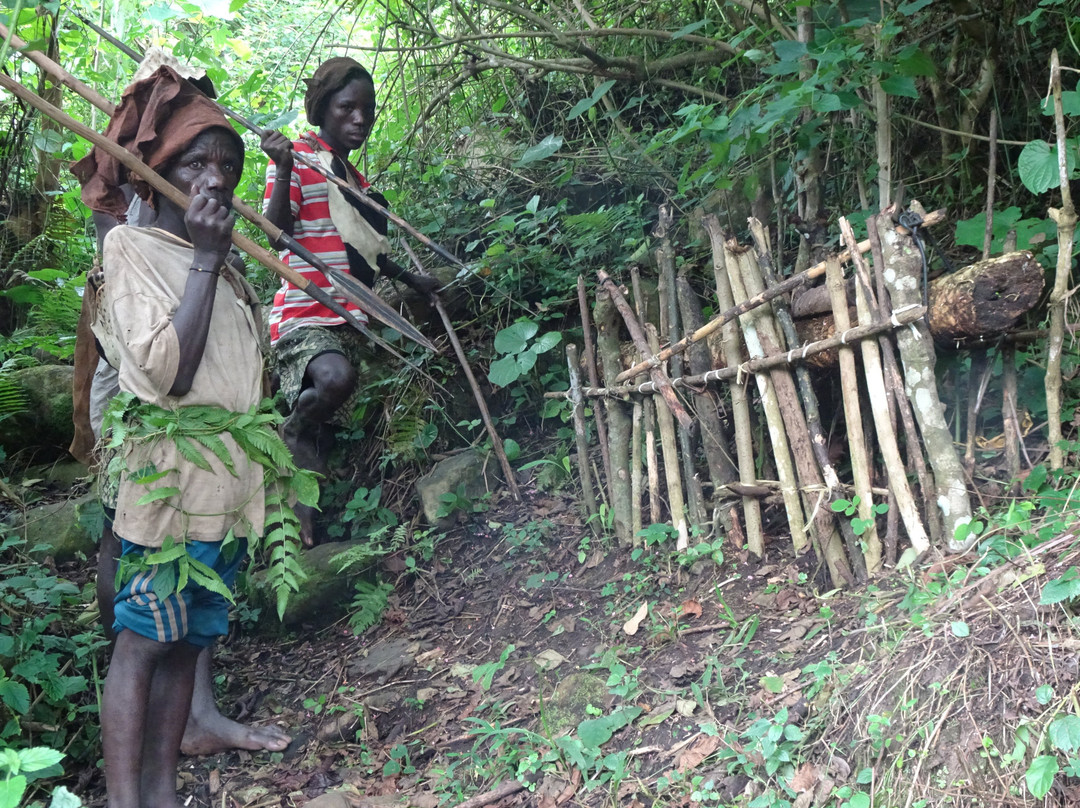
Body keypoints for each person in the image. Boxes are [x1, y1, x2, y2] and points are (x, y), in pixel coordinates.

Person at [72, 66, 283, 808]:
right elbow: (168, 373)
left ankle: (162, 793)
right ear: (155, 175)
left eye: (228, 165)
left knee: (188, 643)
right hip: (167, 489)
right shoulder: (134, 250)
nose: (216, 178)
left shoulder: (223, 263)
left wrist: (213, 261)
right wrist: (202, 259)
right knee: (144, 641)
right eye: (196, 163)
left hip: (222, 489)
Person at [260, 56, 436, 546]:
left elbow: (368, 254)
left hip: (349, 314)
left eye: (368, 110)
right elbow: (276, 235)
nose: (360, 118)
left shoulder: (355, 180)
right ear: (321, 109)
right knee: (335, 381)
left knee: (324, 433)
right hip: (305, 309)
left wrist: (415, 282)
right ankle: (291, 427)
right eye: (347, 108)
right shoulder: (298, 158)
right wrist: (282, 164)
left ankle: (302, 532)